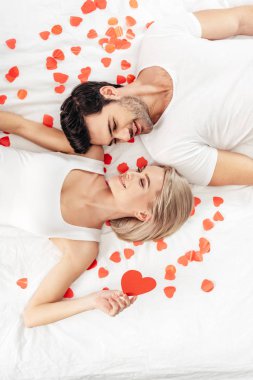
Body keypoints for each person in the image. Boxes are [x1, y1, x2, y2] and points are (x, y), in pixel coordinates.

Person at [7, 5, 253, 187]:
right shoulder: (170, 150)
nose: (125, 136)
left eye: (114, 125)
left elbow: (240, 20)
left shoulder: (162, 39)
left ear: (109, 92)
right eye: (115, 140)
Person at [0, 115, 193, 327]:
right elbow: (21, 126)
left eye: (143, 182)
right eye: (140, 171)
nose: (130, 173)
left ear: (143, 214)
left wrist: (92, 301)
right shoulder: (90, 155)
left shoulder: (83, 245)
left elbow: (33, 315)